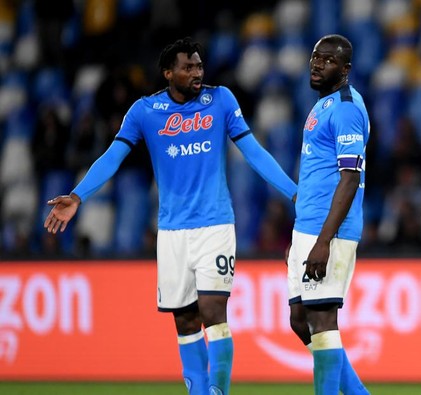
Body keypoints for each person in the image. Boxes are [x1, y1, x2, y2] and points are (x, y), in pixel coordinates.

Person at [43, 37, 297, 395]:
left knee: (212, 310)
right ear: (168, 73)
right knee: (186, 320)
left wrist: (294, 192)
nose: (197, 72)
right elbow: (113, 156)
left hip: (215, 225)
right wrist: (78, 195)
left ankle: (217, 392)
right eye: (187, 67)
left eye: (199, 66)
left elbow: (254, 153)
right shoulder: (144, 111)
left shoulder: (221, 100)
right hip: (173, 232)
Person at [286, 34, 370, 395]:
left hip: (330, 230)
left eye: (329, 60)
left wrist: (323, 242)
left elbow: (350, 179)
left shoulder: (348, 108)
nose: (318, 64)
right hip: (308, 225)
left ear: (346, 70)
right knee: (300, 319)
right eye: (315, 57)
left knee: (322, 319)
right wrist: (301, 237)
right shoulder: (324, 104)